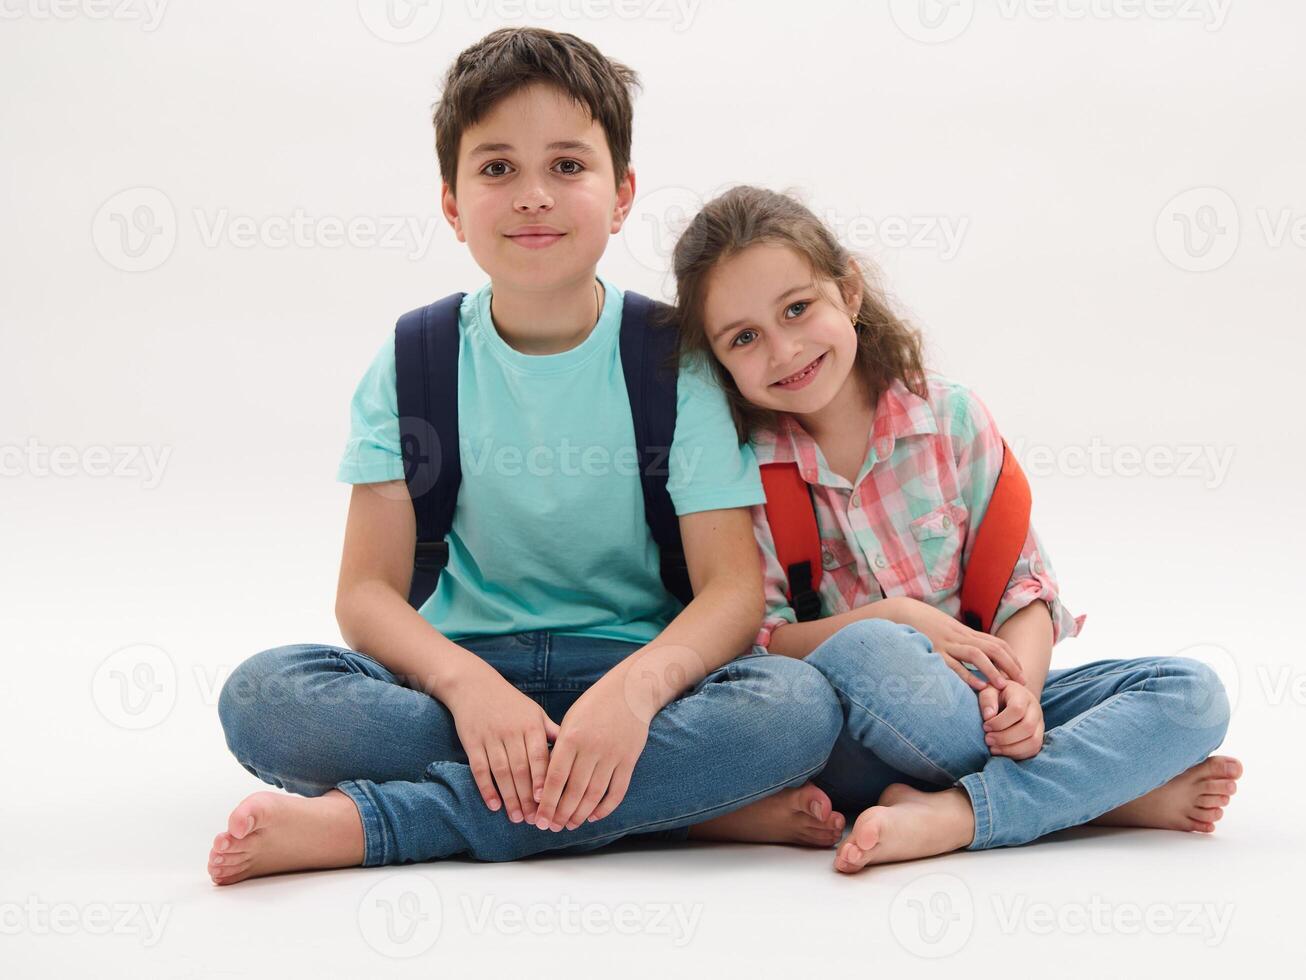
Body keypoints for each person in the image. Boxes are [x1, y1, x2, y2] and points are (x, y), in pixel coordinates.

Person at [205, 30, 846, 886]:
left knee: (794, 709)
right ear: (451, 201)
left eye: (568, 167)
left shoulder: (670, 359)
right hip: (459, 676)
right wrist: (469, 691)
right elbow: (365, 593)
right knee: (262, 698)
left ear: (620, 195)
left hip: (639, 677)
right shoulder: (415, 359)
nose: (534, 196)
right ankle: (686, 809)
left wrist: (632, 695)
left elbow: (731, 593)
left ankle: (382, 825)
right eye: (498, 168)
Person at [665, 185, 1245, 873]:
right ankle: (1101, 794)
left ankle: (957, 813)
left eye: (798, 308)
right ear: (717, 361)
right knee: (869, 650)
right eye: (745, 338)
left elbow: (1022, 592)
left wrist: (1019, 697)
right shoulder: (743, 471)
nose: (785, 349)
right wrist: (898, 616)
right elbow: (762, 639)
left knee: (1190, 694)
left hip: (990, 702)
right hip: (860, 733)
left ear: (848, 291)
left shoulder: (951, 419)